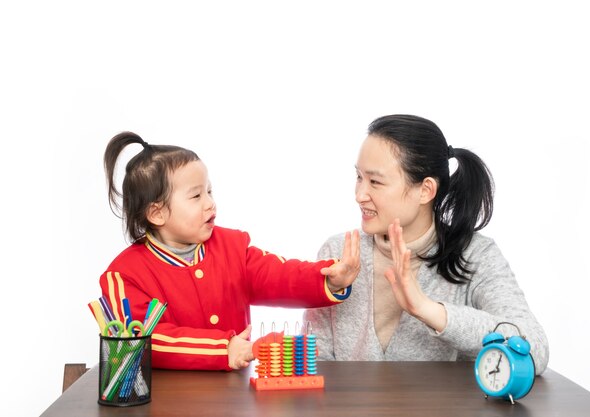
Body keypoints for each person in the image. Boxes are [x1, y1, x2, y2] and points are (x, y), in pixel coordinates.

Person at [304, 114, 549, 374]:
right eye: (359, 177)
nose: (359, 195)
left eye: (375, 182)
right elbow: (316, 365)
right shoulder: (338, 252)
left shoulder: (475, 255)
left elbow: (534, 349)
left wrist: (427, 309)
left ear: (425, 190)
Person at [100, 131, 360, 371]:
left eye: (210, 191)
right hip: (168, 400)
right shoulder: (124, 275)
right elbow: (147, 341)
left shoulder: (232, 247)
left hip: (233, 396)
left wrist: (327, 278)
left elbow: (278, 275)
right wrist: (223, 348)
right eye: (196, 196)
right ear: (156, 213)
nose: (210, 203)